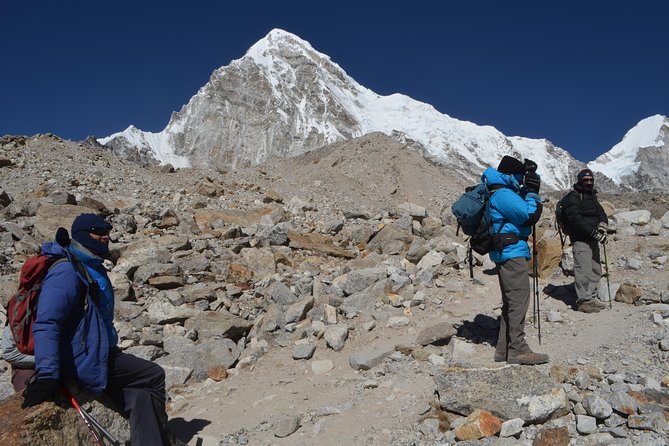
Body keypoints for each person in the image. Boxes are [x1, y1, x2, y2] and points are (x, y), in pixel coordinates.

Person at [19, 213, 175, 446]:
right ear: (82, 235)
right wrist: (48, 375)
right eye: (98, 232)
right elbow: (47, 323)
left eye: (107, 232)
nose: (105, 237)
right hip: (82, 356)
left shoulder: (89, 264)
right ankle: (166, 441)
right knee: (152, 375)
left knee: (139, 395)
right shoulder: (67, 272)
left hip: (96, 348)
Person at [482, 155, 549, 365]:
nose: (522, 180)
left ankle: (503, 349)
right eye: (520, 175)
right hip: (512, 253)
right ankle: (518, 350)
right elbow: (529, 216)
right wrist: (532, 193)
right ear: (511, 175)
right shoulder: (503, 194)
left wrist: (527, 187)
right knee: (519, 301)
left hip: (509, 250)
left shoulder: (502, 191)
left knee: (511, 303)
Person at [562, 169, 608, 313]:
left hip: (593, 240)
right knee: (583, 270)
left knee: (596, 269)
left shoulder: (592, 196)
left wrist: (602, 225)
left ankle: (591, 297)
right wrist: (594, 233)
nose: (589, 182)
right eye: (585, 180)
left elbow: (601, 213)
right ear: (579, 181)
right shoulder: (573, 197)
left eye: (591, 180)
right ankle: (583, 301)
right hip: (580, 240)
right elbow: (575, 220)